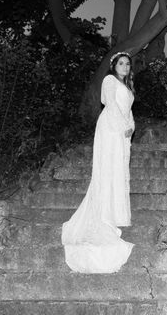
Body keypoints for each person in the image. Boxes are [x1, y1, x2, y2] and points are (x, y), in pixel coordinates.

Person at [62, 51, 135, 272]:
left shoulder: (129, 87)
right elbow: (111, 105)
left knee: (118, 169)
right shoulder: (109, 80)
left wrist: (131, 127)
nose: (125, 66)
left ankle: (114, 211)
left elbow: (128, 110)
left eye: (128, 64)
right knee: (108, 168)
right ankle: (103, 213)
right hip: (110, 127)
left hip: (122, 128)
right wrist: (123, 126)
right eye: (121, 63)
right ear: (114, 66)